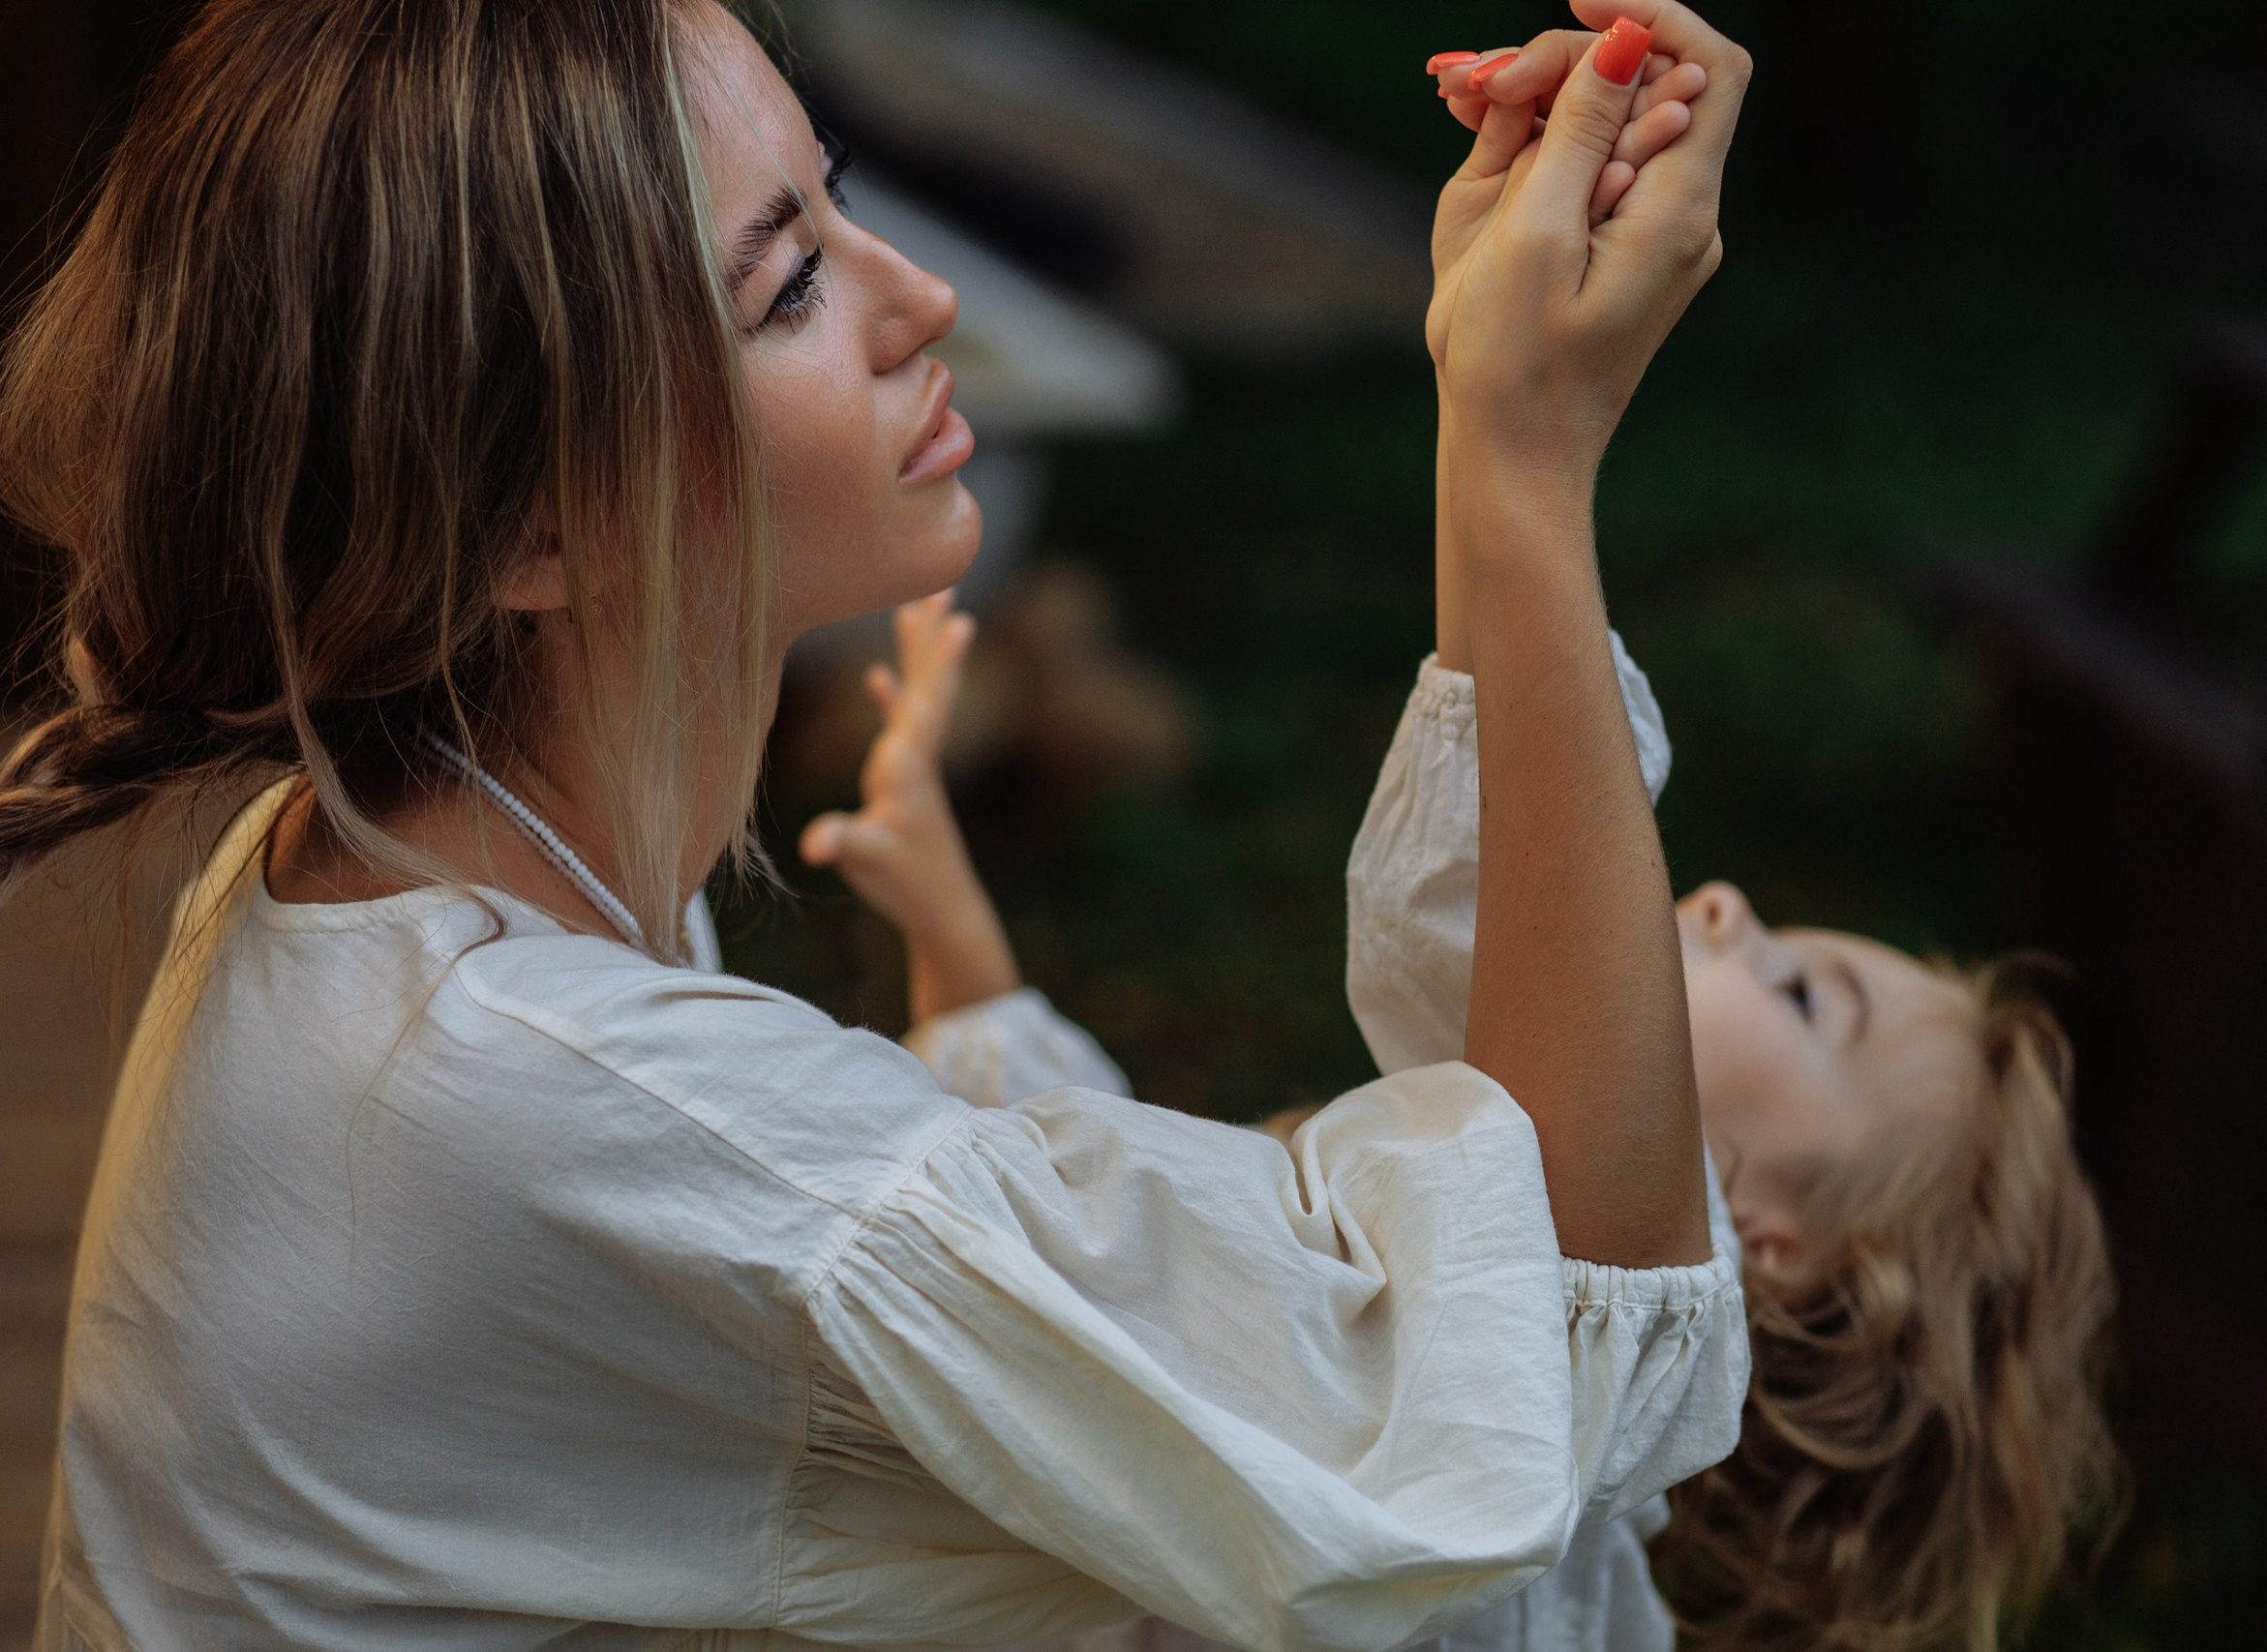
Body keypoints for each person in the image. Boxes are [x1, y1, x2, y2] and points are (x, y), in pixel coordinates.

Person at [0, 0, 1757, 1647]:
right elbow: (1541, 1372)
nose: (917, 295)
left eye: (835, 204)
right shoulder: (563, 1104)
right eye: (786, 291)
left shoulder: (404, 889)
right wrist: (1520, 457)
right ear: (528, 531)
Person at [810, 42, 2120, 1652]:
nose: (1724, 904)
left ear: (1761, 1256)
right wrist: (1479, 376)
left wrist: (1521, 430)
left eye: (1797, 995)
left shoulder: (1535, 1485)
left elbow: (1509, 928)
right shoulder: (1474, 1277)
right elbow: (1147, 1241)